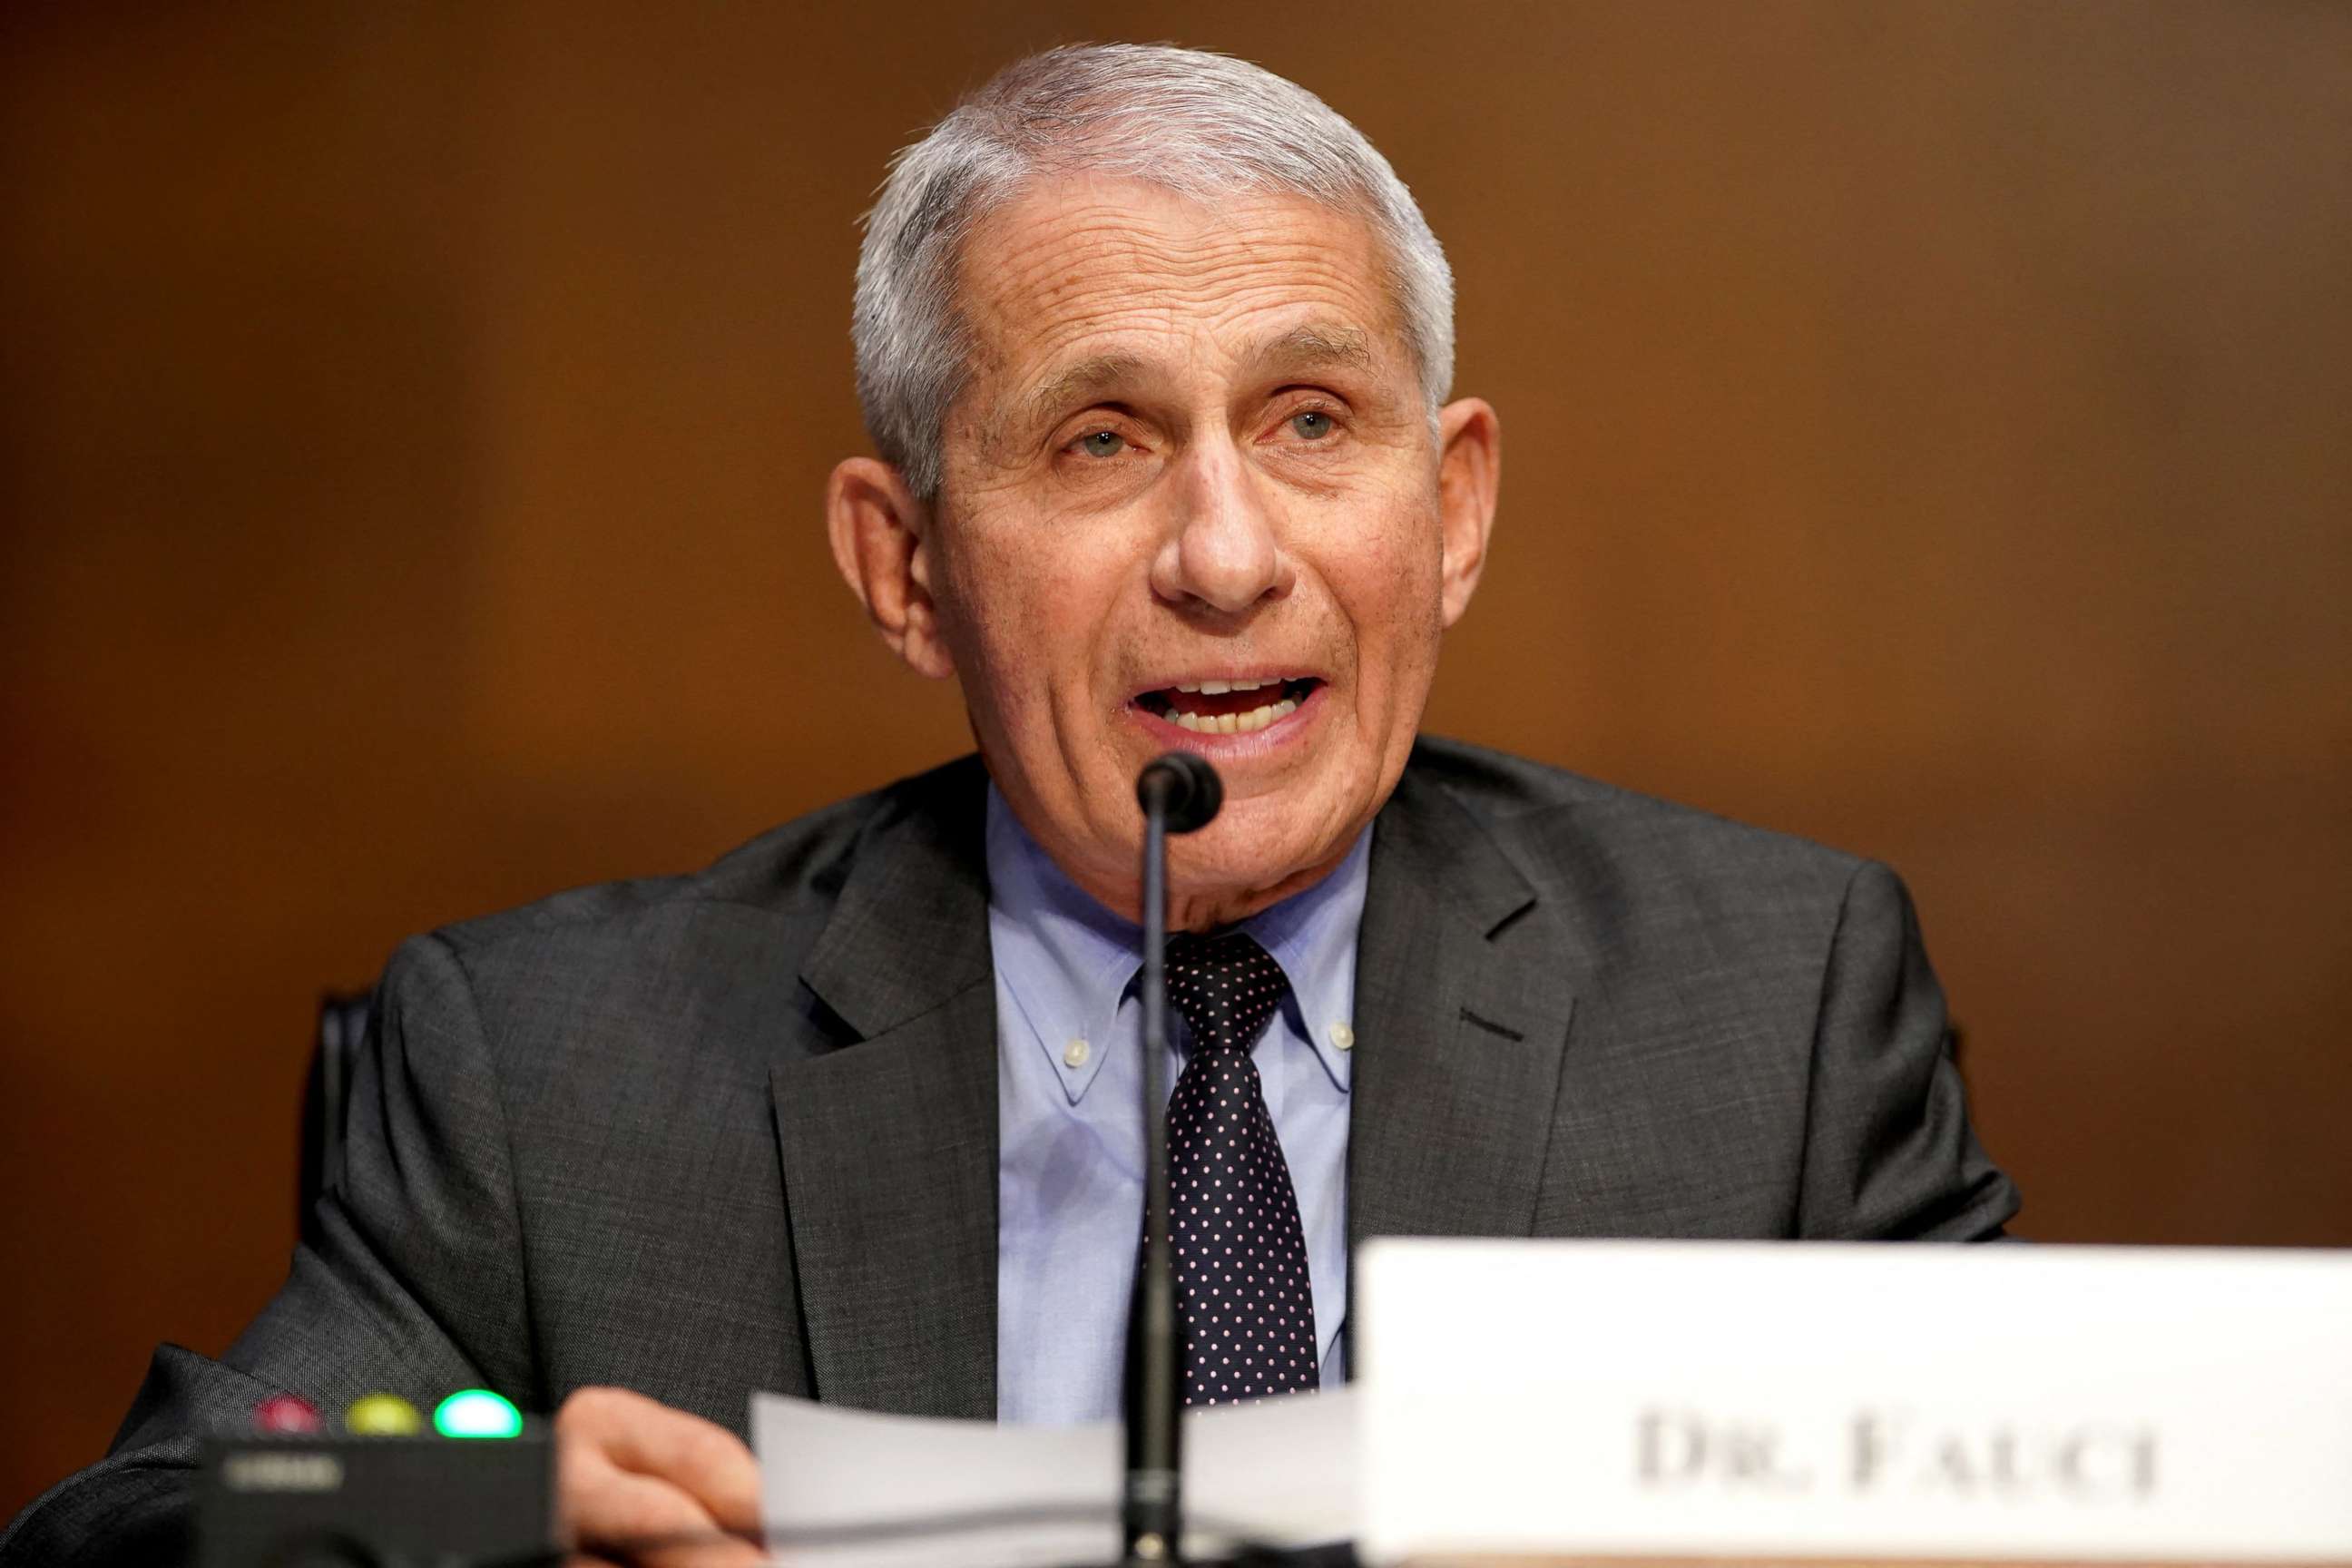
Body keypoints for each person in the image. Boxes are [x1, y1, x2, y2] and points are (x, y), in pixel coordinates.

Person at [0, 42, 2018, 1568]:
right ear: (905, 566)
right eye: (1102, 439)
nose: (1226, 553)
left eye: (1313, 423)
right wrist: (474, 1508)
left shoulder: (1771, 1007)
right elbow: (163, 1507)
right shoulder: (552, 1074)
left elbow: (2081, 1495)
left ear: (1454, 502)